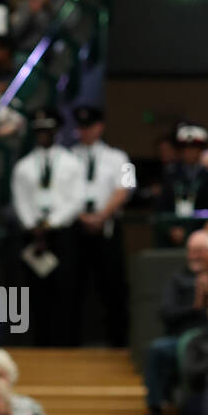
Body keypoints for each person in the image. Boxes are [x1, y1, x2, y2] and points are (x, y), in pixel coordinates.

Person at [142, 230, 208, 415]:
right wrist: (194, 306)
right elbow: (166, 313)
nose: (194, 255)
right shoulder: (177, 279)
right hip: (180, 339)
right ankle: (156, 411)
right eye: (191, 251)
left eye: (200, 251)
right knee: (158, 349)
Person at [10, 107, 84, 345]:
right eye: (39, 131)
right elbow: (20, 199)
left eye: (48, 130)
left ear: (57, 131)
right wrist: (33, 225)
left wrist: (51, 223)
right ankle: (39, 342)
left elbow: (76, 199)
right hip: (32, 235)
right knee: (34, 291)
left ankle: (67, 342)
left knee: (66, 288)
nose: (43, 135)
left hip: (62, 234)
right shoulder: (23, 166)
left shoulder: (72, 163)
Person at [68, 105, 133, 346]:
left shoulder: (120, 157)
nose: (85, 132)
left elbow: (125, 189)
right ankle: (71, 343)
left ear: (100, 127)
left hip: (108, 228)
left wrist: (102, 215)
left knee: (113, 287)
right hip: (75, 226)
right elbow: (62, 192)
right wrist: (82, 216)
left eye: (89, 126)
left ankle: (118, 343)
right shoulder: (67, 157)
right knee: (73, 287)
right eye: (80, 127)